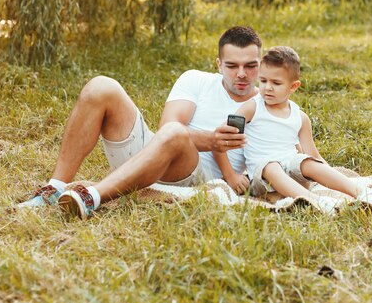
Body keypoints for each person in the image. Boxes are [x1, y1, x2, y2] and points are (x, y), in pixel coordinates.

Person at [18, 26, 261, 218]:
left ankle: (92, 197)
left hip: (195, 177)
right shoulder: (196, 80)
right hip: (154, 154)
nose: (241, 74)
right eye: (232, 66)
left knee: (176, 133)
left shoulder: (266, 106)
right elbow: (167, 127)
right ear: (219, 65)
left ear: (260, 66)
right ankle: (54, 189)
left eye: (250, 66)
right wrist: (211, 140)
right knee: (101, 87)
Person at [213, 46, 372, 214]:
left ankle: (360, 192)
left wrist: (327, 176)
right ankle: (316, 201)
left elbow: (314, 156)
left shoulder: (300, 117)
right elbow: (220, 139)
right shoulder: (252, 108)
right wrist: (231, 176)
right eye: (263, 80)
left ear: (293, 86)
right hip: (263, 177)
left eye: (276, 83)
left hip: (293, 173)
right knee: (271, 166)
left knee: (306, 161)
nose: (267, 87)